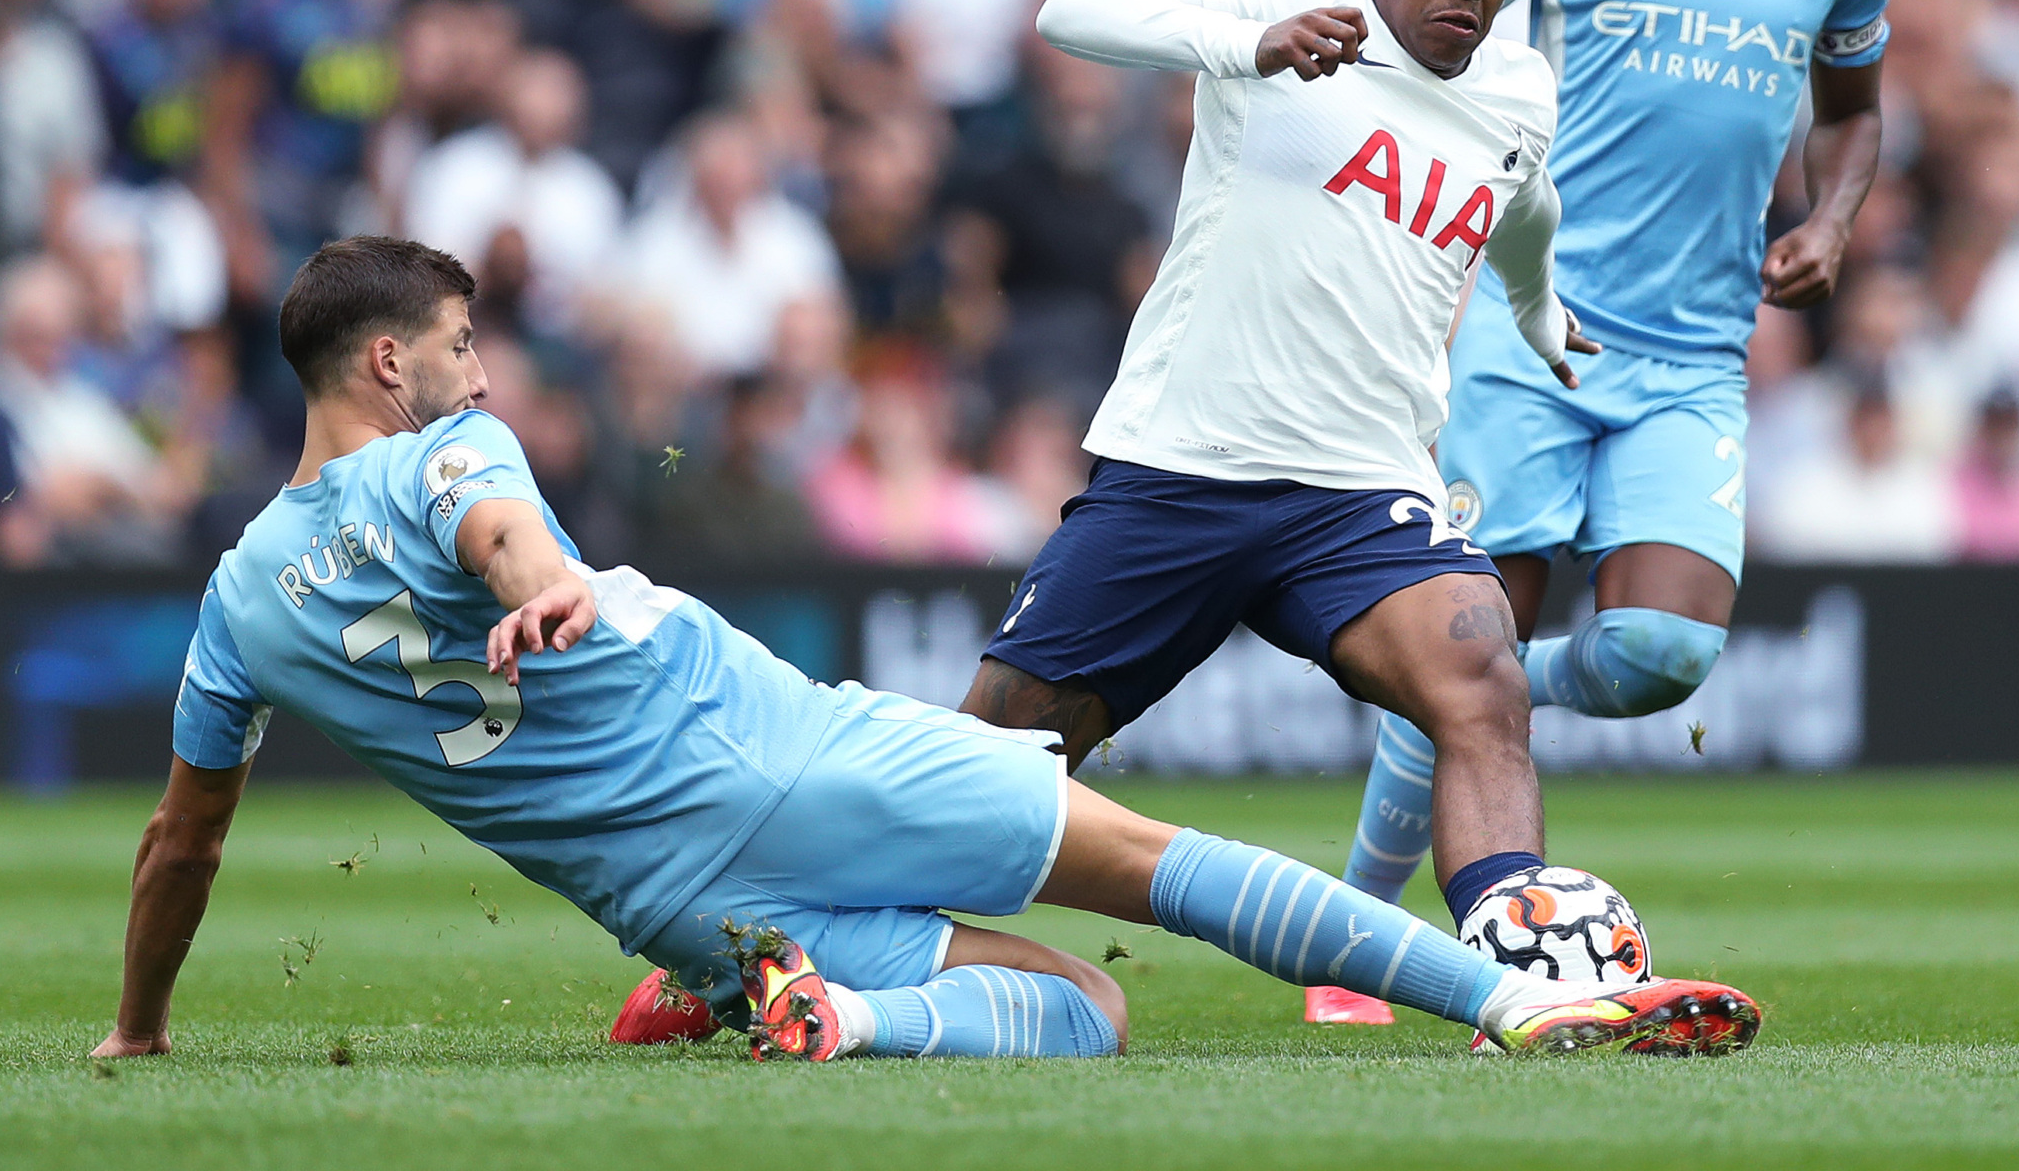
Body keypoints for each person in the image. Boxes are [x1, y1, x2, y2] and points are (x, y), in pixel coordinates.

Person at [93, 237, 1760, 1063]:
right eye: (457, 350)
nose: (476, 378)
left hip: (673, 897)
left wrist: (142, 1028)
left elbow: (186, 842)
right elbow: (503, 535)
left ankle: (827, 1011)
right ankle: (1522, 1001)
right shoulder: (451, 454)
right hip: (782, 754)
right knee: (1155, 867)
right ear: (387, 362)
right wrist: (549, 584)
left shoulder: (237, 603)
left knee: (1085, 1014)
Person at [1319, 0, 1895, 1022]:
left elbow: (1856, 103)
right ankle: (1358, 937)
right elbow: (1436, 33)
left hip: (1697, 354)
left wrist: (1832, 217)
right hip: (1536, 326)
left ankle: (1502, 698)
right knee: (1466, 636)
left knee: (1661, 658)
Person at [953, 0, 1604, 990]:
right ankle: (786, 937)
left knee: (1482, 680)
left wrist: (1538, 314)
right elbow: (1069, 8)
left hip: (1360, 489)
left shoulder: (1517, 89)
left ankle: (1525, 971)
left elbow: (1523, 204)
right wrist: (1244, 45)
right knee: (986, 769)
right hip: (1180, 468)